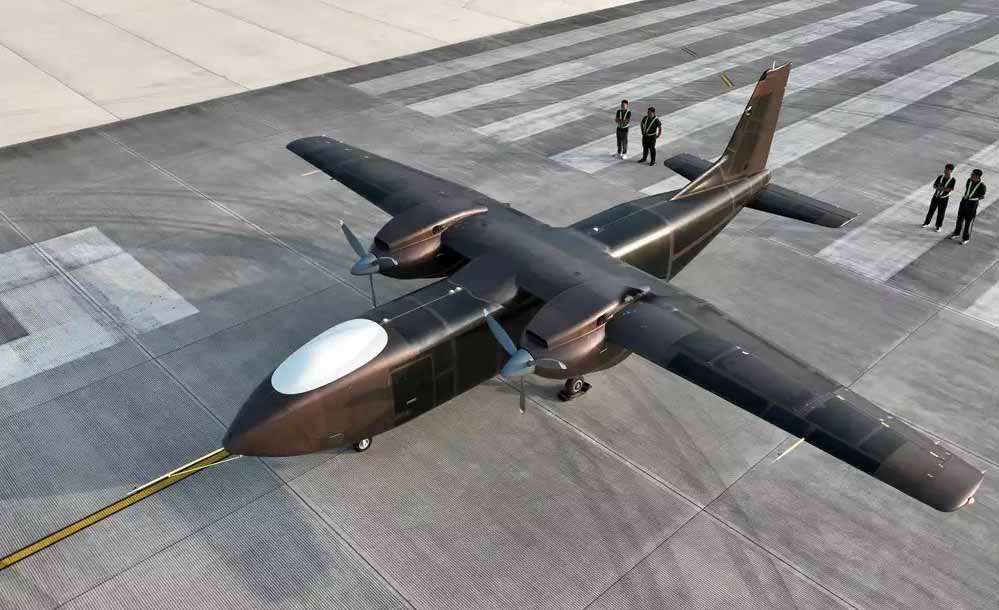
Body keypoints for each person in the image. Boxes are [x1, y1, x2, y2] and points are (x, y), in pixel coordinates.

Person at [951, 169, 986, 244]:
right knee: (959, 218)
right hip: (964, 201)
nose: (971, 175)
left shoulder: (982, 186)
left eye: (972, 175)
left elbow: (982, 196)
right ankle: (956, 233)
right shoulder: (969, 181)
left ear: (977, 176)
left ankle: (966, 238)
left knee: (968, 221)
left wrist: (973, 197)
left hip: (972, 204)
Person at [922, 163, 956, 231]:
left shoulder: (952, 180)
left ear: (951, 171)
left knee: (941, 213)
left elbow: (949, 189)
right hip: (936, 196)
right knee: (931, 210)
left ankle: (938, 226)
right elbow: (934, 186)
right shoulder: (940, 177)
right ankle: (926, 223)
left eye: (948, 170)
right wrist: (942, 188)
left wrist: (941, 188)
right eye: (945, 169)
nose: (945, 171)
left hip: (944, 198)